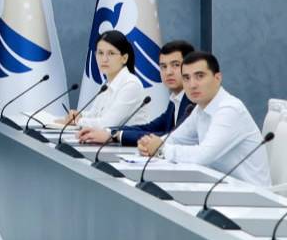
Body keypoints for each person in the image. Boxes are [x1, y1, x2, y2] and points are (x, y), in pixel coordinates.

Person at [137, 51, 271, 186]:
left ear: (217, 78)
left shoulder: (229, 109)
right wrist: (150, 144)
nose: (192, 85)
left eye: (199, 76)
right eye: (186, 78)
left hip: (250, 193)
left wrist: (161, 149)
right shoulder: (200, 108)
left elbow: (203, 156)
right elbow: (176, 138)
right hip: (221, 187)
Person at [78, 39, 195, 145]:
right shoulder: (176, 100)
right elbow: (150, 128)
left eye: (175, 65)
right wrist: (111, 132)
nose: (168, 72)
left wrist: (115, 135)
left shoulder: (193, 101)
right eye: (163, 66)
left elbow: (170, 137)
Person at [56, 30, 150, 130]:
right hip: (108, 139)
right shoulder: (107, 85)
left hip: (130, 140)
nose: (104, 59)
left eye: (111, 53)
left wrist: (76, 121)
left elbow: (108, 124)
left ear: (124, 58)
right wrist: (80, 115)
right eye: (100, 53)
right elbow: (95, 115)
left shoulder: (131, 85)